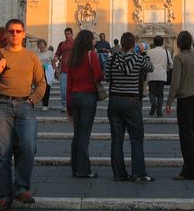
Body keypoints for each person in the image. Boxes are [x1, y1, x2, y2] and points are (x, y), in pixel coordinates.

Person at [0, 19, 46, 211]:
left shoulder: (31, 57)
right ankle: (5, 195)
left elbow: (41, 83)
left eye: (18, 31)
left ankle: (21, 188)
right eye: (11, 31)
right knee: (3, 151)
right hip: (2, 105)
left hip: (25, 105)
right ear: (6, 34)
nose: (15, 34)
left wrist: (32, 100)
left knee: (29, 146)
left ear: (23, 34)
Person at [105, 32, 155, 183]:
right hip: (132, 101)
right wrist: (144, 53)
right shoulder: (139, 58)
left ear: (121, 43)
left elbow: (107, 77)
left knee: (116, 139)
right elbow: (150, 68)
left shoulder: (112, 59)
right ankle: (138, 173)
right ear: (134, 44)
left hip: (114, 100)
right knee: (136, 138)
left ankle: (119, 174)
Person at [165, 31, 194, 180]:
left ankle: (189, 170)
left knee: (185, 136)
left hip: (184, 99)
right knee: (193, 134)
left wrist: (169, 101)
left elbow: (175, 83)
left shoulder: (179, 58)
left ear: (178, 44)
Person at [66, 29, 104, 178]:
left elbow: (69, 83)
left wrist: (68, 105)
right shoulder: (91, 55)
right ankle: (83, 169)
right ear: (88, 41)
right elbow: (98, 75)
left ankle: (75, 167)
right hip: (88, 96)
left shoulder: (72, 57)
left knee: (77, 133)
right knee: (84, 133)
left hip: (74, 96)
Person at [147, 35, 171, 117]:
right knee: (160, 94)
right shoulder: (166, 52)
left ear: (154, 42)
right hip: (162, 75)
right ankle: (159, 112)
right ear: (162, 42)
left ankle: (154, 104)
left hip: (152, 74)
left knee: (152, 92)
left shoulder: (149, 52)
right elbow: (171, 64)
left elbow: (147, 63)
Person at [55, 27, 74, 113]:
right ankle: (64, 105)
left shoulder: (76, 43)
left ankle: (72, 105)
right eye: (66, 34)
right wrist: (56, 58)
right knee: (63, 90)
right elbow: (57, 54)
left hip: (74, 70)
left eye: (69, 34)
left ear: (72, 34)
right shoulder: (61, 44)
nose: (67, 35)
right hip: (64, 70)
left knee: (73, 90)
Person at [36, 39, 56, 112]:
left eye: (42, 44)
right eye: (40, 45)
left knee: (47, 88)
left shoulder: (49, 53)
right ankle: (42, 100)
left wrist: (56, 70)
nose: (41, 46)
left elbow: (53, 62)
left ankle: (45, 104)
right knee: (40, 87)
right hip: (39, 71)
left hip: (48, 71)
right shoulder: (36, 54)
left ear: (45, 45)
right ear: (38, 46)